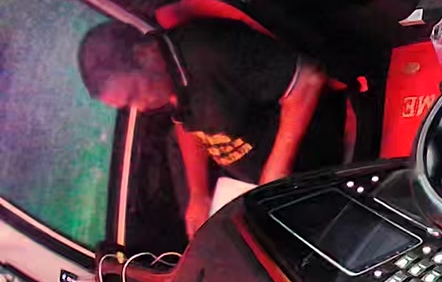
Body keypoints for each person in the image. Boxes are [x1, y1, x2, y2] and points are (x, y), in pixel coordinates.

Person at [77, 19, 346, 237]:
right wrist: (198, 194)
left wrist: (276, 171)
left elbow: (308, 78)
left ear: (144, 54)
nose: (141, 107)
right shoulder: (168, 78)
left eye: (135, 94)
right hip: (255, 187)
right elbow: (188, 124)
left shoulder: (210, 52)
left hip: (315, 168)